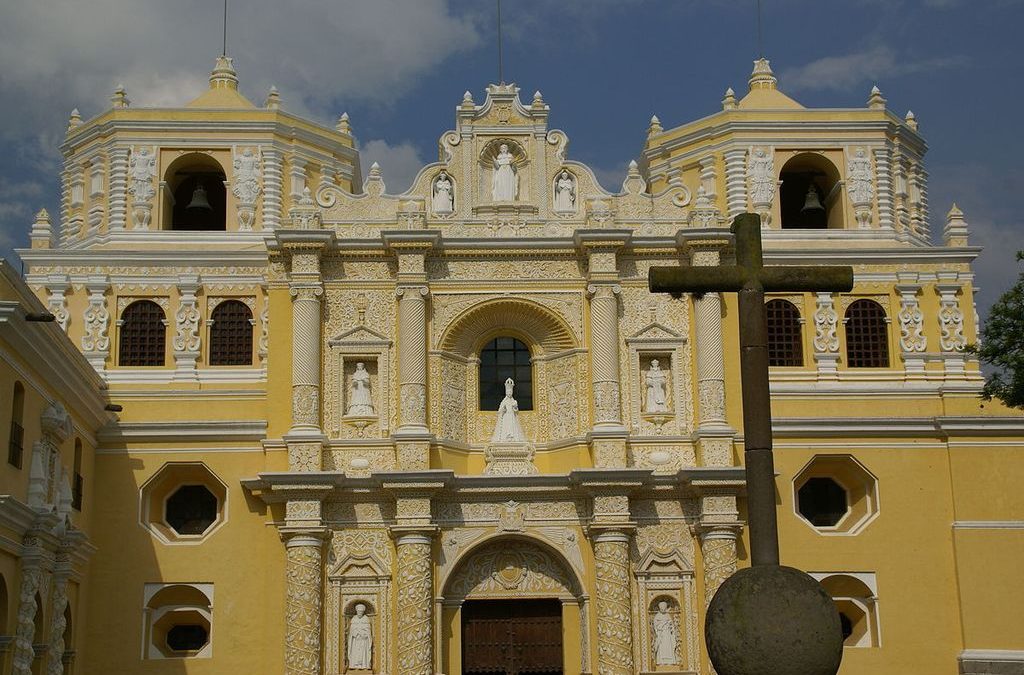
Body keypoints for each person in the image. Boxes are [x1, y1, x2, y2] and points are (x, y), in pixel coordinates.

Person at [491, 377, 526, 442]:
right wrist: (503, 409)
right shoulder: (504, 401)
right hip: (506, 416)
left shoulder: (514, 401)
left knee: (512, 427)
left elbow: (516, 411)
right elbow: (500, 410)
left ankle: (512, 437)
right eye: (508, 392)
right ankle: (506, 437)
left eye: (510, 392)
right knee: (506, 427)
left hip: (512, 416)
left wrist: (515, 407)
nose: (509, 393)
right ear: (506, 392)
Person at [347, 603, 373, 670]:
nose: (360, 613)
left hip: (363, 640)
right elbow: (352, 630)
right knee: (355, 653)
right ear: (356, 611)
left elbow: (368, 630)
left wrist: (364, 634)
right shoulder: (354, 619)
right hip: (355, 640)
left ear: (363, 612)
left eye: (361, 612)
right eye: (359, 611)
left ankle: (364, 665)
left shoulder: (366, 619)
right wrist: (355, 632)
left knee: (363, 653)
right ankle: (354, 665)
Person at [652, 601, 678, 665]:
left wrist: (671, 628)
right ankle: (661, 661)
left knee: (669, 647)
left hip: (668, 634)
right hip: (662, 634)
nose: (663, 609)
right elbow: (655, 626)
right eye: (662, 608)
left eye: (664, 607)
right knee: (662, 648)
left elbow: (672, 625)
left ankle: (670, 661)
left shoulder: (668, 615)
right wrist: (661, 627)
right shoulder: (657, 616)